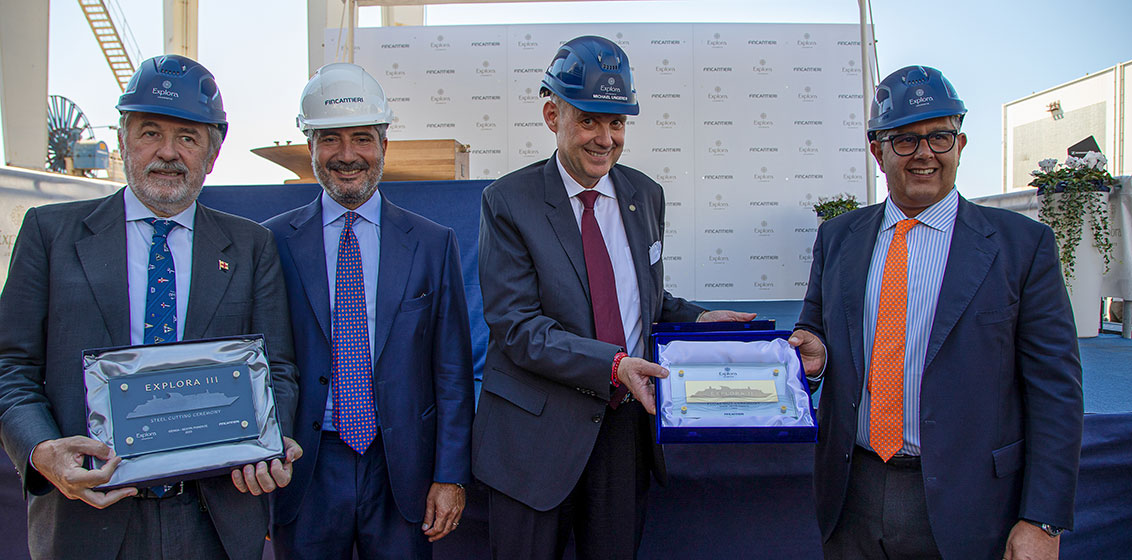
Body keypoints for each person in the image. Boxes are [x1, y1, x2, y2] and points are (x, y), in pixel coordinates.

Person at [0, 54, 301, 560]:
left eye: (188, 137)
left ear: (213, 152)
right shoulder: (50, 235)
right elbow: (10, 366)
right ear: (123, 139)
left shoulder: (251, 247)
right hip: (85, 518)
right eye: (150, 133)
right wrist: (41, 451)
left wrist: (271, 440)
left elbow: (279, 370)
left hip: (215, 520)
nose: (168, 152)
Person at [472, 35, 755, 559]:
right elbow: (517, 327)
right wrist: (615, 364)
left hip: (624, 431)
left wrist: (698, 320)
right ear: (552, 115)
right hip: (534, 438)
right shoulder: (508, 201)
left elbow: (641, 301)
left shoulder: (644, 194)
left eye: (617, 123)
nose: (605, 139)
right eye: (589, 121)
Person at [790, 65, 1083, 560]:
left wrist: (1043, 520)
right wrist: (813, 358)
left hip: (972, 504)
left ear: (960, 145)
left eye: (940, 136)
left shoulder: (1022, 245)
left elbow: (1056, 390)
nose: (925, 153)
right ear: (877, 150)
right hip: (851, 494)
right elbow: (814, 332)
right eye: (905, 140)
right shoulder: (838, 238)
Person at [263, 62, 474, 560]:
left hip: (402, 471)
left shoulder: (431, 244)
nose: (347, 155)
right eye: (330, 139)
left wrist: (450, 475)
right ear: (310, 146)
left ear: (384, 145)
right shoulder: (272, 242)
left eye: (362, 138)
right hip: (305, 469)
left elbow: (452, 372)